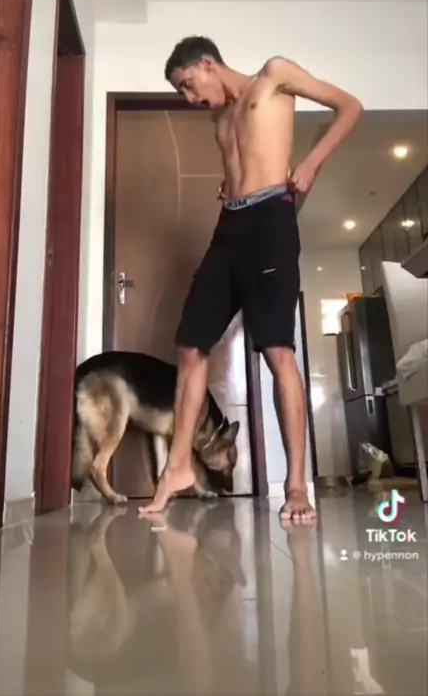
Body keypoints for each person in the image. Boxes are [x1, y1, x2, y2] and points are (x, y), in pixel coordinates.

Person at [139, 37, 363, 521]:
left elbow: (350, 106)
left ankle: (296, 487)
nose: (189, 98)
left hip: (271, 222)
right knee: (190, 344)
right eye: (182, 91)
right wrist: (231, 186)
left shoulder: (274, 75)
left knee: (277, 351)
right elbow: (241, 162)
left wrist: (311, 162)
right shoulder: (219, 118)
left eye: (188, 84)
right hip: (230, 228)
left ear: (207, 64)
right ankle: (177, 468)